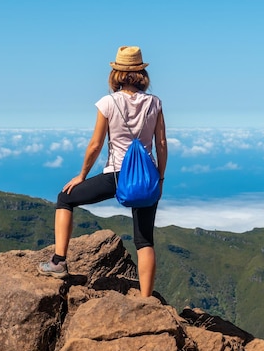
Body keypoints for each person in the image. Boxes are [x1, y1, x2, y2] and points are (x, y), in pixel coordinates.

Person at [37, 45, 168, 298]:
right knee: (144, 240)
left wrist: (82, 176)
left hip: (117, 176)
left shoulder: (108, 103)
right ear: (142, 73)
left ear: (116, 73)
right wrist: (159, 178)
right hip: (147, 178)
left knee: (65, 198)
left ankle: (58, 262)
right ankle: (146, 299)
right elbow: (161, 144)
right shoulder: (155, 103)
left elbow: (96, 145)